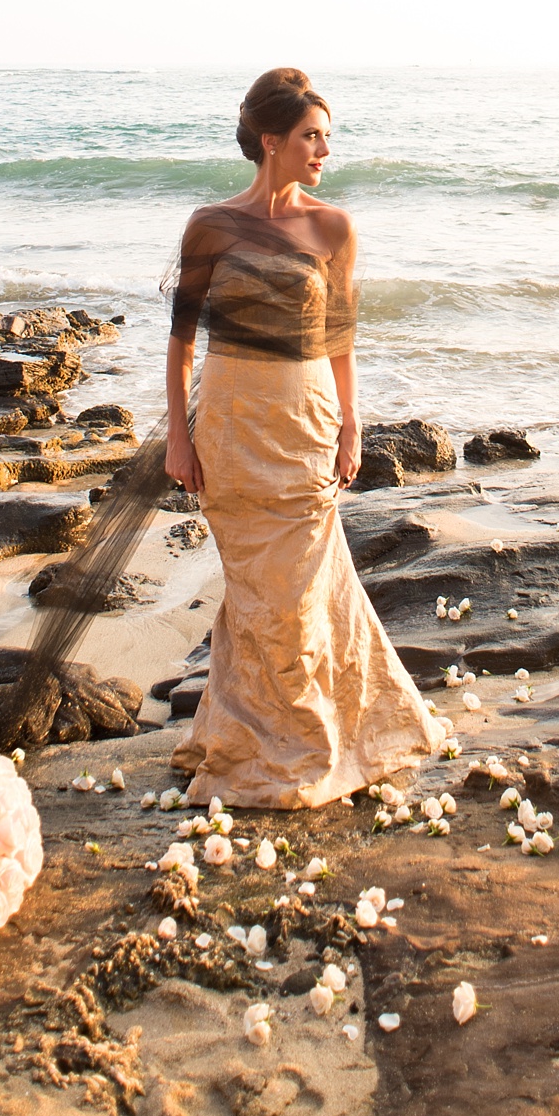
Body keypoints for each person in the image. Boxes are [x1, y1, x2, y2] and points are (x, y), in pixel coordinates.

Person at [163, 67, 442, 806]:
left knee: (301, 588)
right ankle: (245, 730)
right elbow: (181, 342)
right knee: (258, 590)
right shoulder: (211, 225)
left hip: (305, 418)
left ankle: (308, 735)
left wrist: (353, 427)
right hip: (228, 418)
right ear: (270, 141)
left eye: (327, 136)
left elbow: (343, 340)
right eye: (311, 136)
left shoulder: (334, 228)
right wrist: (177, 436)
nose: (323, 149)